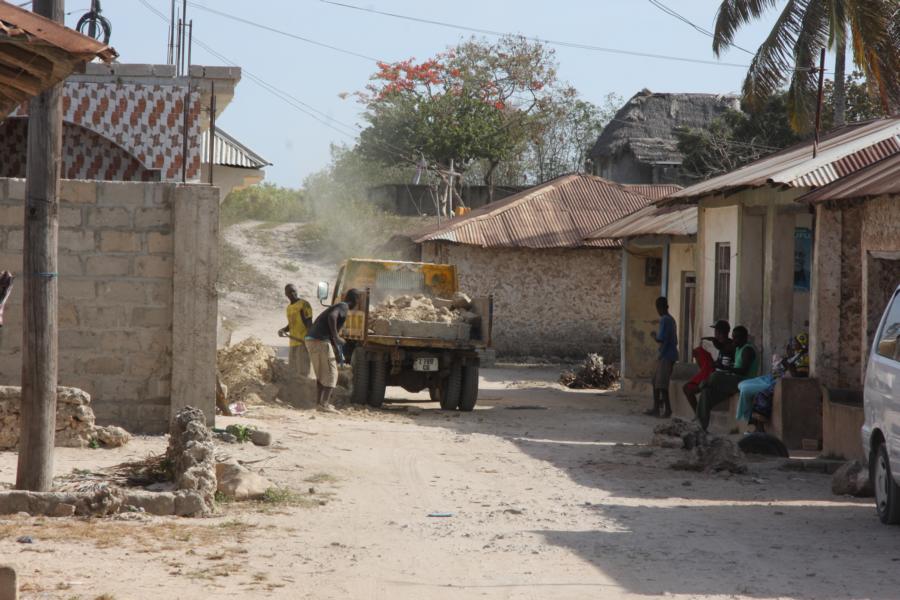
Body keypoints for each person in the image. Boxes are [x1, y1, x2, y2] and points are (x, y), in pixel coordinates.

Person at [736, 332, 809, 428]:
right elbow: (782, 368)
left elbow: (799, 375)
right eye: (793, 342)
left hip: (779, 382)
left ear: (802, 345)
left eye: (795, 342)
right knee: (741, 384)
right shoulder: (795, 355)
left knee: (751, 391)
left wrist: (787, 364)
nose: (792, 344)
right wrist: (787, 358)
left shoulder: (803, 358)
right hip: (772, 377)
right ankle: (751, 420)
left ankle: (754, 423)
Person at [305, 288, 360, 411]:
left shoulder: (338, 306)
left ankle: (319, 404)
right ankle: (325, 404)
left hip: (311, 339)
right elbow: (332, 316)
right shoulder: (343, 306)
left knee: (321, 375)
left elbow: (329, 330)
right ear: (356, 300)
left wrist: (337, 348)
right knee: (332, 374)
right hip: (320, 341)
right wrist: (337, 336)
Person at [695, 325, 759, 430]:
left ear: (744, 337)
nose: (734, 340)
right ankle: (700, 425)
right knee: (706, 392)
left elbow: (743, 371)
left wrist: (725, 368)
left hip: (744, 381)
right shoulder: (738, 347)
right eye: (733, 337)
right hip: (734, 382)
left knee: (715, 376)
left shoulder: (748, 350)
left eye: (736, 337)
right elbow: (723, 347)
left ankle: (702, 384)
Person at [645, 296, 678, 418]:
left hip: (666, 355)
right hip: (668, 354)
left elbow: (662, 339)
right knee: (656, 381)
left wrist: (654, 336)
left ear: (659, 308)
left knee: (662, 384)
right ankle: (657, 407)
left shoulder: (665, 320)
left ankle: (666, 409)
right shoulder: (671, 319)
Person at [278, 284, 313, 380]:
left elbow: (309, 323)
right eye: (290, 292)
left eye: (294, 291)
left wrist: (308, 339)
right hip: (293, 343)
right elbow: (291, 324)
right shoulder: (289, 308)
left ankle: (306, 387)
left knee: (303, 371)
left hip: (303, 342)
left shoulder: (304, 304)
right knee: (292, 371)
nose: (293, 293)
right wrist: (283, 330)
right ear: (286, 294)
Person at [683, 342, 715, 412]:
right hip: (706, 377)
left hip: (709, 378)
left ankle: (698, 413)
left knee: (687, 389)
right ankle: (698, 413)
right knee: (686, 388)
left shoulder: (701, 354)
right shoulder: (700, 354)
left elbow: (707, 371)